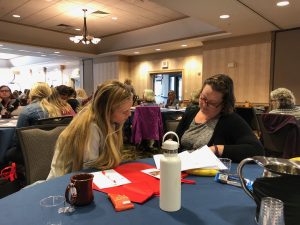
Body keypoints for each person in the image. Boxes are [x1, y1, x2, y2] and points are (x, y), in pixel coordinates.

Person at [47, 80, 133, 179]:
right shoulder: (91, 126)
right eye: (124, 111)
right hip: (64, 184)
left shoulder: (109, 122)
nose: (129, 114)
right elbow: (88, 170)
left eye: (129, 110)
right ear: (107, 111)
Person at [176, 74, 264, 162]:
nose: (204, 105)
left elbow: (257, 151)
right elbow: (174, 141)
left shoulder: (231, 120)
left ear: (224, 104)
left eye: (212, 103)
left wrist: (217, 149)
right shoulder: (190, 114)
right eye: (202, 98)